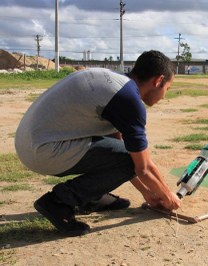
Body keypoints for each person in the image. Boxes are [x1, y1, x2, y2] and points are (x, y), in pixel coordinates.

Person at [15, 50, 181, 236]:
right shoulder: (128, 100)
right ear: (158, 81)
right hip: (42, 150)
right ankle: (59, 202)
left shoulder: (117, 86)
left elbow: (116, 145)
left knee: (120, 154)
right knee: (128, 159)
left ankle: (90, 198)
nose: (164, 96)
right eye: (167, 88)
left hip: (31, 144)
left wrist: (146, 192)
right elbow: (142, 167)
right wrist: (168, 197)